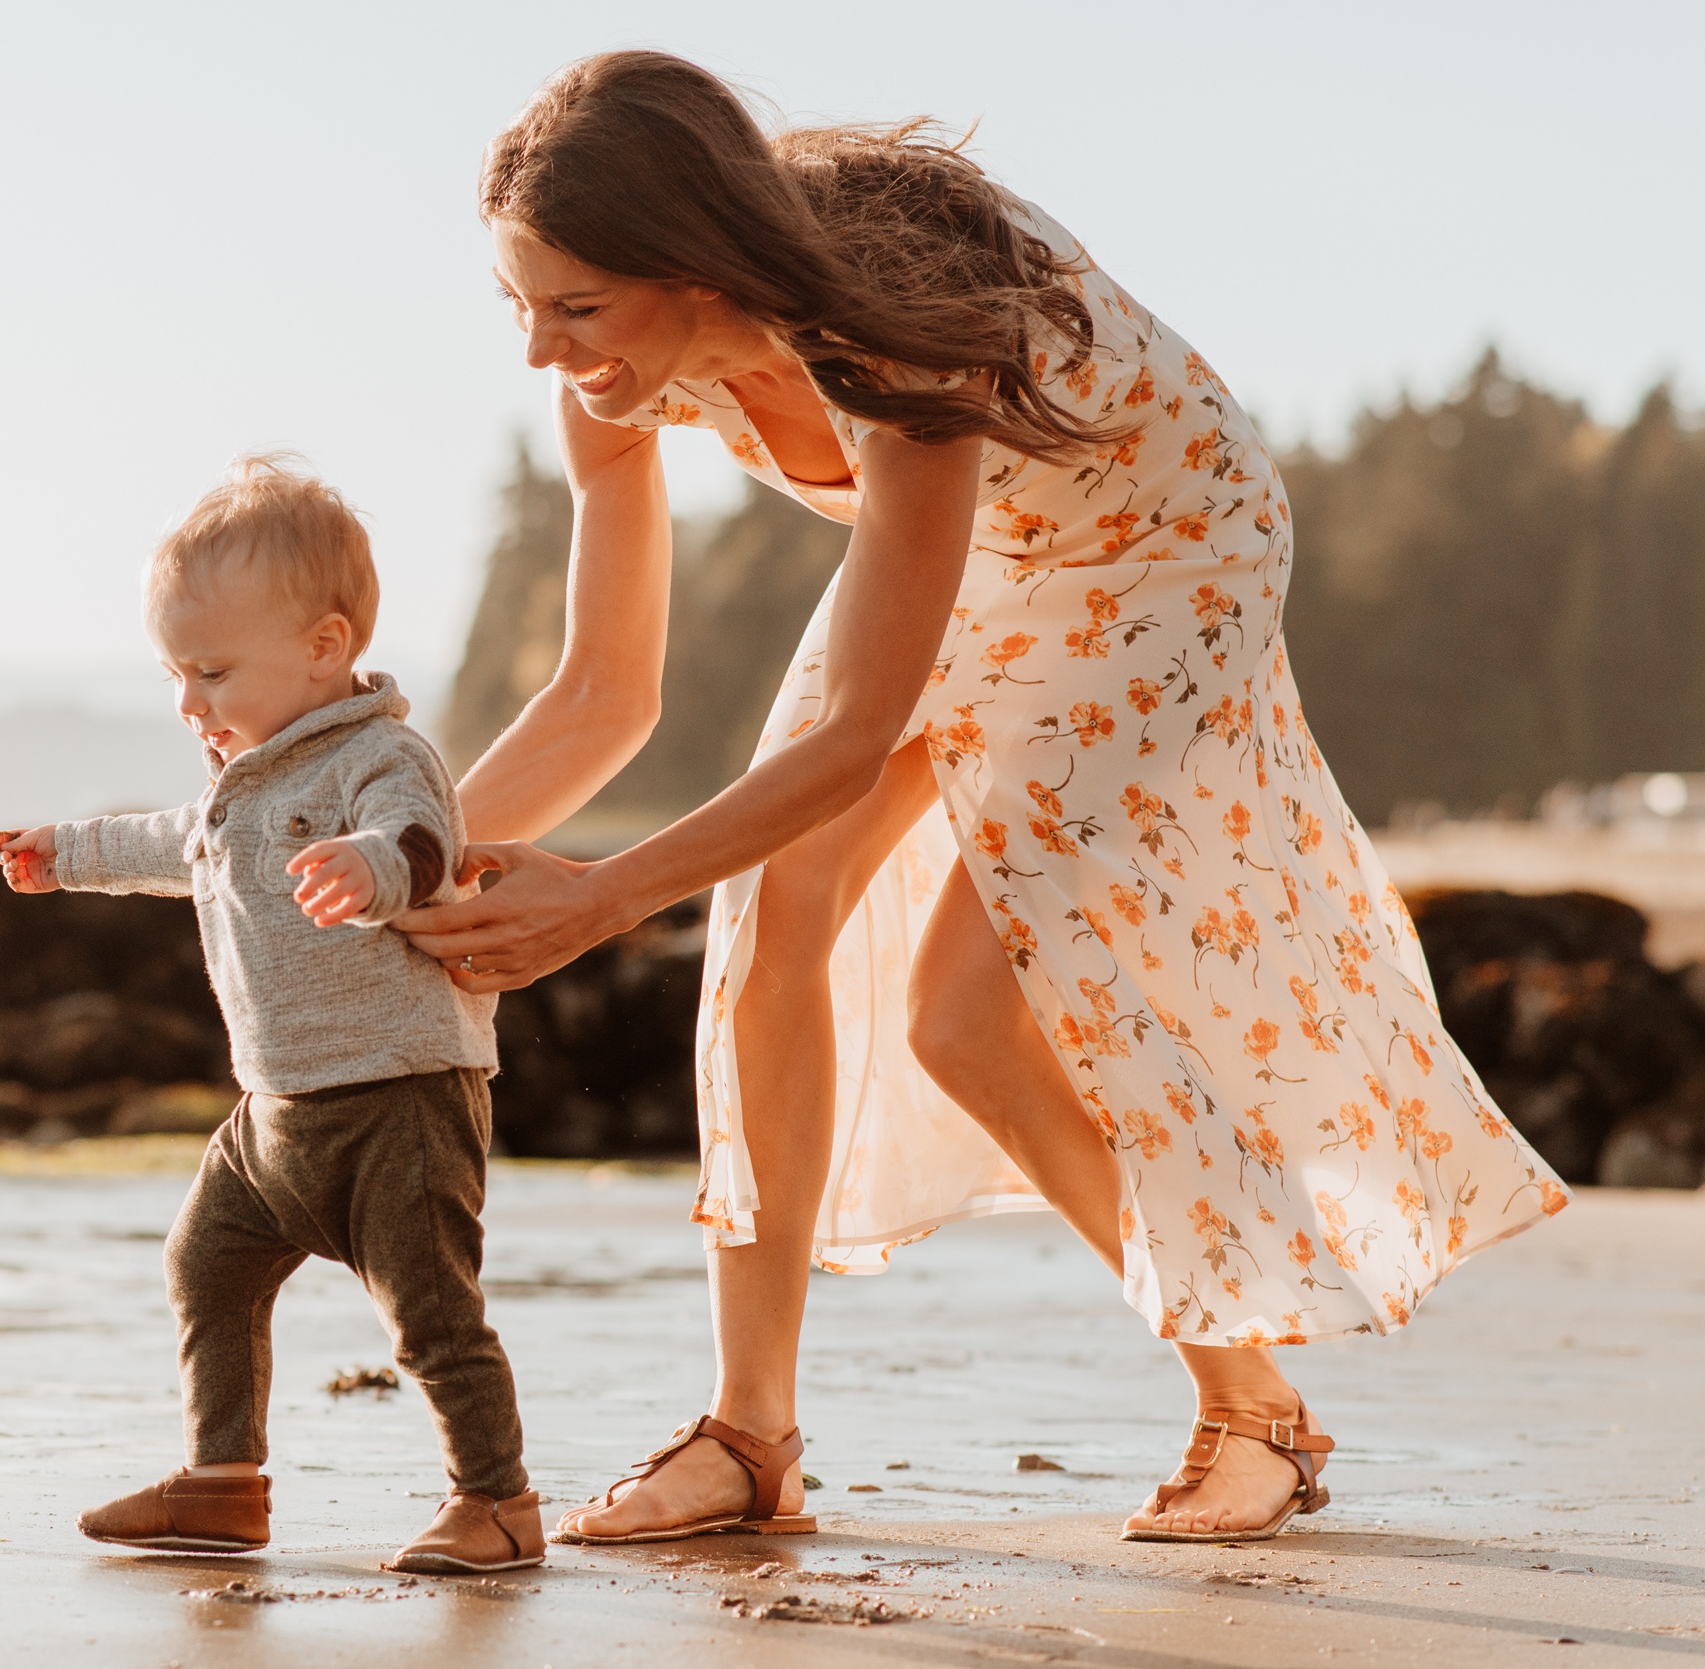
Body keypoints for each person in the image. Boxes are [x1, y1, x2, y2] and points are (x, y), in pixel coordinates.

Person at [401, 52, 1569, 1544]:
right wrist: (412, 855)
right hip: (982, 552)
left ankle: (1257, 1407)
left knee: (962, 1012)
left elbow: (858, 733)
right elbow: (603, 695)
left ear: (690, 259)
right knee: (772, 914)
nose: (541, 350)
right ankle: (750, 1436)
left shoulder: (894, 333)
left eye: (573, 306)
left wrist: (605, 894)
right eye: (519, 306)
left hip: (1166, 542)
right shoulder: (615, 387)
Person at [0, 453, 542, 1575]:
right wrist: (66, 852)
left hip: (397, 1096)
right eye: (173, 677)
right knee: (207, 1267)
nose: (189, 702)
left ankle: (495, 1500)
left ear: (324, 647)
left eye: (210, 671)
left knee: (432, 1318)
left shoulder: (378, 755)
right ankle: (223, 1479)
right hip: (274, 1112)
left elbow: (422, 837)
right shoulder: (239, 779)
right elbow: (166, 839)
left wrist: (373, 865)